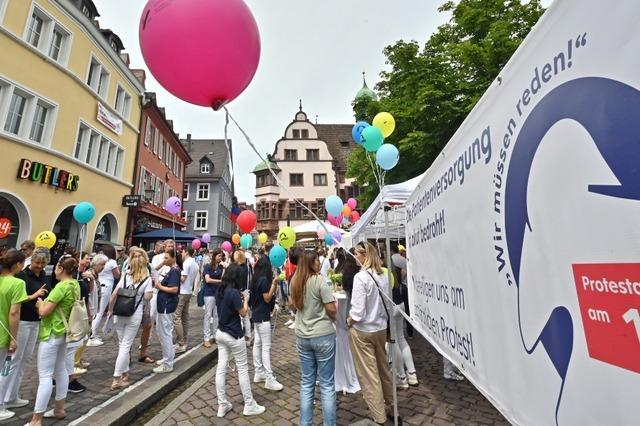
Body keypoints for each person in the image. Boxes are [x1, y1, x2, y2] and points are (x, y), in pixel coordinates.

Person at [28, 256, 80, 425]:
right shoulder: (75, 284)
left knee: (45, 376)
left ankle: (37, 419)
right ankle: (59, 409)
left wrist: (39, 304)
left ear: (60, 269)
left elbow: (44, 312)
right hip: (65, 333)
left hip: (51, 333)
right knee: (61, 370)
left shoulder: (61, 287)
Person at [347, 242, 395, 425]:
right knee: (383, 370)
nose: (355, 257)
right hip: (380, 328)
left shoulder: (361, 277)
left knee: (369, 376)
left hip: (364, 330)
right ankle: (392, 406)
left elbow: (358, 312)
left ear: (364, 255)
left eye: (356, 254)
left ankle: (379, 417)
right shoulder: (383, 274)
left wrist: (349, 320)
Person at [290, 250, 337, 426]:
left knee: (307, 383)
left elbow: (293, 307)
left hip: (303, 335)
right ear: (311, 263)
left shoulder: (294, 281)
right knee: (326, 385)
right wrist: (338, 322)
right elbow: (331, 309)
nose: (319, 262)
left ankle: (305, 423)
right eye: (317, 260)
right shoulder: (320, 281)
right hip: (322, 335)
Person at [215, 264, 265, 418]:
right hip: (233, 334)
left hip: (220, 332)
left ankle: (222, 404)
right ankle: (249, 404)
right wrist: (246, 300)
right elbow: (243, 313)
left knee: (221, 368)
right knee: (242, 368)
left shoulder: (220, 290)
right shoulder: (233, 292)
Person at [1, 248, 49, 410]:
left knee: (25, 359)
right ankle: (3, 400)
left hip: (36, 321)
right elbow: (15, 305)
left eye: (43, 263)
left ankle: (12, 395)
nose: (40, 266)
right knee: (12, 361)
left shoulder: (43, 275)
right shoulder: (20, 277)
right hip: (21, 322)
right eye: (37, 262)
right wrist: (34, 296)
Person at [108, 248, 153, 389]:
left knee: (122, 345)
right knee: (125, 346)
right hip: (134, 314)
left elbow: (114, 294)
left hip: (119, 312)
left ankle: (125, 374)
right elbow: (147, 297)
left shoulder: (126, 275)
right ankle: (116, 378)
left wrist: (110, 310)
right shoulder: (147, 279)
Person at [0, 249, 28, 420]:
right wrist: (13, 337)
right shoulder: (17, 284)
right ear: (18, 264)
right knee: (3, 371)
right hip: (2, 333)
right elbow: (14, 313)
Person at [250, 256, 283, 391]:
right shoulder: (264, 280)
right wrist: (274, 284)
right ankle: (269, 377)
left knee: (258, 344)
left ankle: (258, 372)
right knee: (266, 347)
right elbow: (267, 298)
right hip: (263, 316)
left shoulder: (255, 279)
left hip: (256, 314)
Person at [88, 245, 120, 346]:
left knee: (95, 309)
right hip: (106, 286)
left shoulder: (97, 260)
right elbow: (117, 275)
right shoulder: (112, 262)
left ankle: (93, 333)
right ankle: (92, 335)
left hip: (97, 284)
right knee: (99, 311)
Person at [153, 249, 180, 373]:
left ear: (173, 258)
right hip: (163, 304)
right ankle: (166, 358)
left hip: (166, 305)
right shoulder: (171, 269)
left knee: (165, 333)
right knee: (162, 331)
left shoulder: (174, 271)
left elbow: (174, 289)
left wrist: (159, 286)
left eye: (166, 258)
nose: (164, 260)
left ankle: (168, 363)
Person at [174, 247, 197, 354]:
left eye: (182, 252)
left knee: (176, 317)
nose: (181, 254)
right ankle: (184, 341)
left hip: (183, 291)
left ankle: (181, 342)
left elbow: (183, 279)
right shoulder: (195, 263)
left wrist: (175, 272)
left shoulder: (187, 263)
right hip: (188, 291)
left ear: (186, 252)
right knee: (185, 317)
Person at [202, 249, 224, 348]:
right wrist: (219, 281)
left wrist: (225, 268)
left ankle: (215, 335)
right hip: (209, 293)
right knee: (207, 315)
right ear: (215, 256)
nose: (220, 258)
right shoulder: (207, 266)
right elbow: (207, 279)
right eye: (219, 256)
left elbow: (223, 279)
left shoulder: (220, 267)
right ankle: (206, 338)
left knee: (216, 315)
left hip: (218, 294)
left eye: (221, 256)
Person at [391, 244, 412, 338]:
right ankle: (410, 332)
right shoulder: (404, 259)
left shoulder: (391, 260)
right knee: (407, 310)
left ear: (391, 250)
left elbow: (401, 273)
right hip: (406, 286)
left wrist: (398, 282)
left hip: (398, 287)